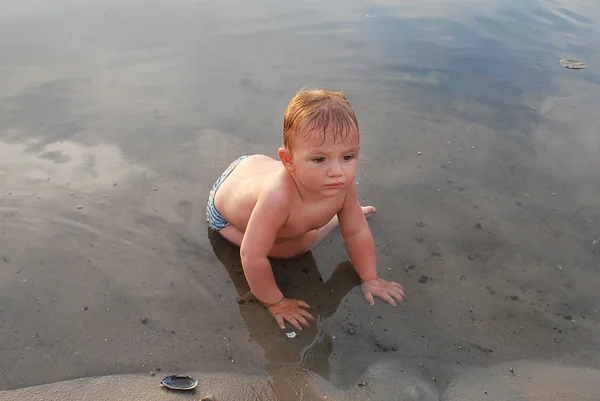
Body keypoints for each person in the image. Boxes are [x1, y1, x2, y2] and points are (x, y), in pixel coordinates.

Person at [206, 88, 405, 331]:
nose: (337, 171)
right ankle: (330, 220)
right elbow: (251, 255)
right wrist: (275, 302)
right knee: (288, 248)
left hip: (257, 168)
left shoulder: (342, 183)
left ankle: (335, 216)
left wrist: (370, 278)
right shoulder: (277, 198)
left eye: (348, 157)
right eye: (320, 160)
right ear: (288, 161)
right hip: (225, 209)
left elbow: (356, 233)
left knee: (338, 222)